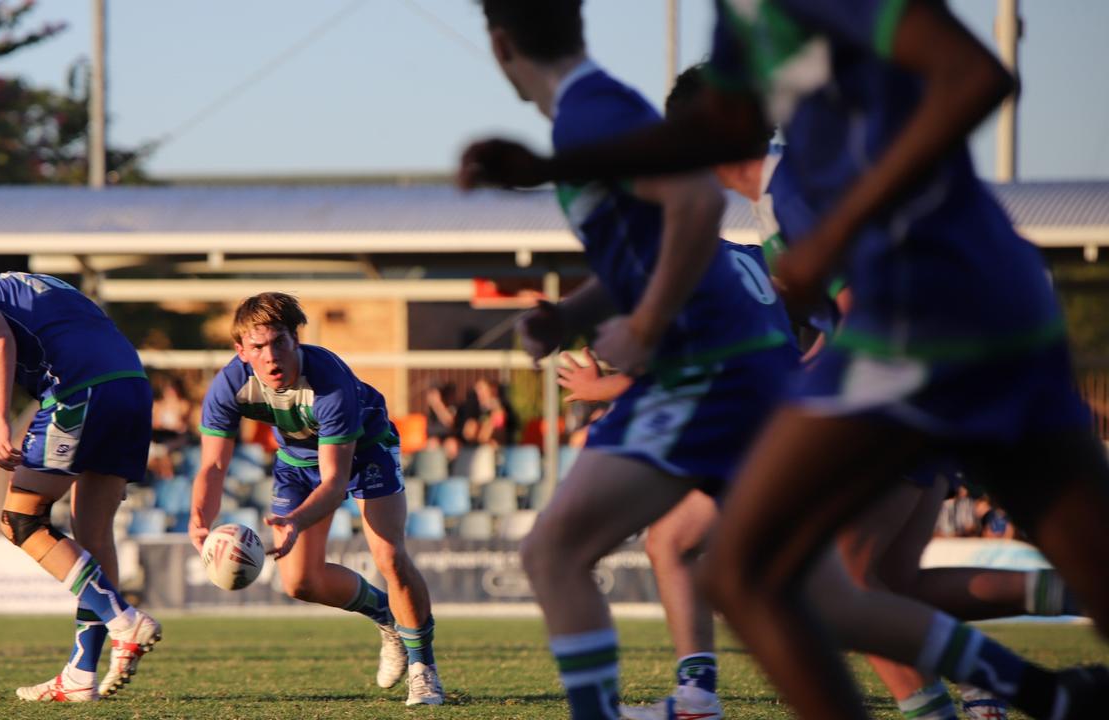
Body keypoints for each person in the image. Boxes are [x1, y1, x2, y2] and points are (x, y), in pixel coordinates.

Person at [462, 2, 1109, 718]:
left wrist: (821, 249)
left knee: (727, 569)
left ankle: (999, 697)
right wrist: (547, 179)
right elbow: (706, 170)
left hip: (918, 328)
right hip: (987, 311)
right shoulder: (744, 68)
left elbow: (975, 78)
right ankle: (1048, 697)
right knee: (824, 587)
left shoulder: (793, 184)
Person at [468, 4, 800, 719]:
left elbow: (696, 209)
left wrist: (644, 329)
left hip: (708, 370)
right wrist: (570, 317)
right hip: (742, 369)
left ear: (501, 45)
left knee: (553, 553)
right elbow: (645, 256)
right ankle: (1042, 692)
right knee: (828, 599)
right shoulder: (595, 110)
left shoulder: (590, 112)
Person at [188, 292, 444, 707]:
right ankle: (386, 617)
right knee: (300, 582)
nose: (271, 357)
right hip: (294, 461)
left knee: (389, 556)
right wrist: (199, 519)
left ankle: (423, 669)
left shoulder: (329, 382)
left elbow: (335, 481)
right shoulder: (229, 385)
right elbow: (213, 467)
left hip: (366, 451)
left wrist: (295, 521)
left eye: (280, 343)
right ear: (241, 351)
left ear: (296, 340)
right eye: (258, 347)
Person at [0, 259, 160, 703]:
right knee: (91, 534)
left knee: (21, 520)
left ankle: (124, 621)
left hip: (80, 393)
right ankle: (81, 674)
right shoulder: (48, 286)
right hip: (131, 387)